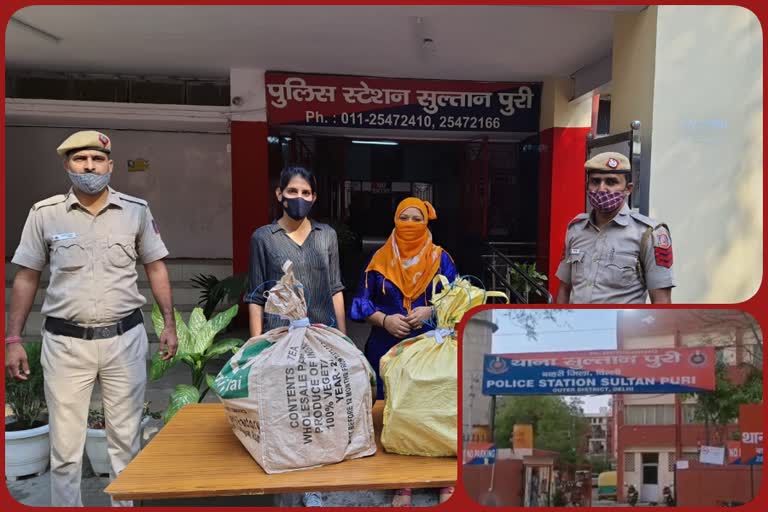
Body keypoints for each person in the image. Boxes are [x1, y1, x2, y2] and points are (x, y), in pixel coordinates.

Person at [4, 130, 178, 507]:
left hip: (124, 341)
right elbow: (27, 276)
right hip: (66, 345)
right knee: (65, 451)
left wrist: (169, 323)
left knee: (126, 444)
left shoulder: (136, 210)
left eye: (97, 160)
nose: (90, 166)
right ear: (67, 165)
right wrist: (13, 339)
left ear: (111, 165)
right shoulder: (44, 214)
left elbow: (156, 267)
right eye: (80, 160)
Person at [245, 165, 345, 507]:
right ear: (280, 195)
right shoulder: (264, 237)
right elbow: (257, 295)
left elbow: (335, 288)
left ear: (314, 198)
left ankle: (312, 484)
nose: (299, 199)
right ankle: (285, 481)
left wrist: (343, 339)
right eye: (292, 192)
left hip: (320, 336)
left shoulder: (326, 235)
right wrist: (255, 345)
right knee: (283, 411)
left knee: (318, 412)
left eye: (305, 193)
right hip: (279, 339)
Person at [351, 197, 457, 506]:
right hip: (387, 346)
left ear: (427, 222)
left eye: (416, 218)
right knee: (396, 414)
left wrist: (429, 311)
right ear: (395, 220)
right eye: (404, 218)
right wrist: (384, 319)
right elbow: (361, 302)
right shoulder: (379, 260)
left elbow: (456, 296)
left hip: (430, 348)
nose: (410, 224)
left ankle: (442, 477)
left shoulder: (441, 259)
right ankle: (403, 481)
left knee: (433, 411)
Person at [555, 152, 675, 304]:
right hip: (577, 326)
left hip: (621, 327)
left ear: (628, 189)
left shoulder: (649, 234)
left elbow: (661, 302)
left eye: (611, 182)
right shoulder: (576, 229)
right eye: (595, 181)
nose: (602, 189)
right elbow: (564, 290)